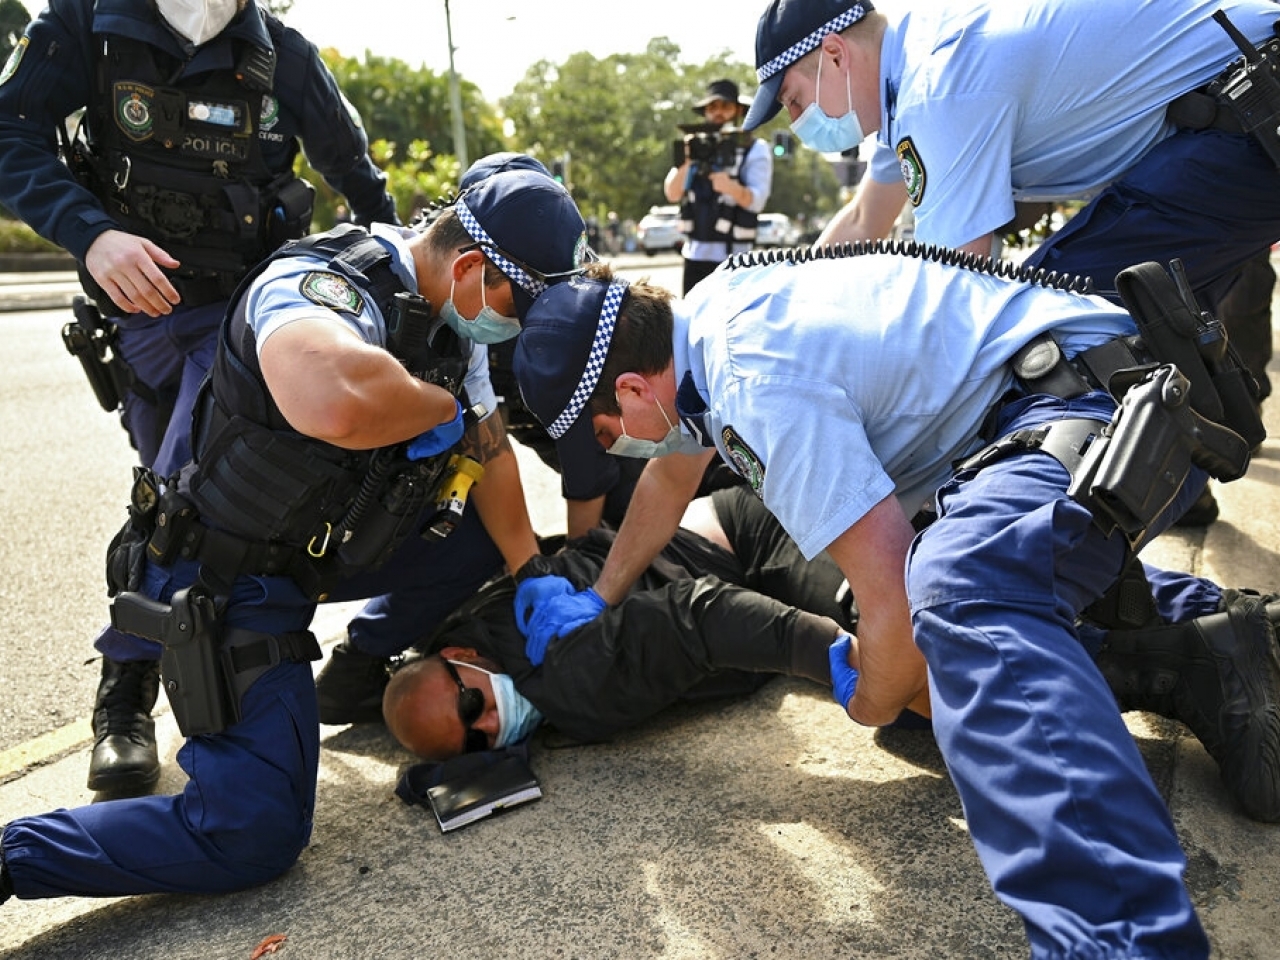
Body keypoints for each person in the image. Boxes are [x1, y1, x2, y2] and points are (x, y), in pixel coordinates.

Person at [508, 250, 1280, 956]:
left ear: (634, 388)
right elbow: (672, 477)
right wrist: (603, 593)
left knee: (960, 595)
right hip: (1054, 406)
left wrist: (870, 696)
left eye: (608, 433)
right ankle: (1212, 645)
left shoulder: (750, 379)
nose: (618, 449)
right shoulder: (702, 332)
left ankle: (1123, 942)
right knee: (942, 676)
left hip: (1096, 406)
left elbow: (897, 610)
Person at [0, 168, 588, 903]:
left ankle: (362, 659)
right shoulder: (322, 281)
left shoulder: (451, 324)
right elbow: (330, 401)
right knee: (253, 835)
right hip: (224, 579)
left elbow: (490, 450)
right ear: (471, 267)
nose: (517, 329)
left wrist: (532, 570)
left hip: (311, 553)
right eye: (519, 308)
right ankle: (13, 858)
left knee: (477, 541)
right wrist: (438, 407)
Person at [0, 0, 402, 796]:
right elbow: (8, 135)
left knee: (191, 491)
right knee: (161, 492)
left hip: (247, 317)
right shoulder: (89, 24)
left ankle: (125, 699)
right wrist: (90, 232)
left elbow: (359, 179)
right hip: (142, 315)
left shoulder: (281, 54)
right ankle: (155, 680)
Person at [742, 0, 1280, 528]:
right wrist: (787, 313)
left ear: (833, 55)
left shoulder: (938, 86)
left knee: (1047, 335)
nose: (796, 124)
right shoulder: (907, 80)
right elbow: (863, 221)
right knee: (1140, 323)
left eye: (793, 102)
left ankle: (1036, 552)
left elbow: (959, 294)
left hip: (1249, 105)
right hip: (1236, 115)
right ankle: (1136, 507)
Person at [385, 484, 859, 759]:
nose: (491, 725)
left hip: (752, 542)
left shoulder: (563, 670)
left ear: (460, 656)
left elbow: (700, 616)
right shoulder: (479, 632)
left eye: (471, 706)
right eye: (475, 743)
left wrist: (836, 657)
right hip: (727, 539)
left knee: (899, 664)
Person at [663, 79, 773, 294]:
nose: (718, 113)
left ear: (737, 110)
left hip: (735, 260)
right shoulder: (694, 145)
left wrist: (731, 187)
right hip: (695, 257)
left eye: (725, 106)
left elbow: (757, 200)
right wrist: (686, 162)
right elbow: (672, 193)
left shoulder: (754, 148)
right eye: (712, 107)